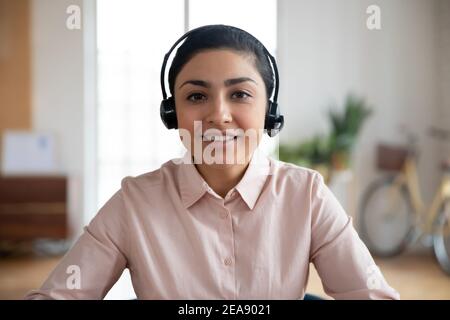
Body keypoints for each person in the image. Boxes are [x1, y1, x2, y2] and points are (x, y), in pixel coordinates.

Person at [25, 25, 399, 300]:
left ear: (269, 113)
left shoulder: (307, 195)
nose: (219, 115)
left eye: (239, 93)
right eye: (196, 96)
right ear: (173, 113)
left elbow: (370, 294)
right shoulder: (134, 203)